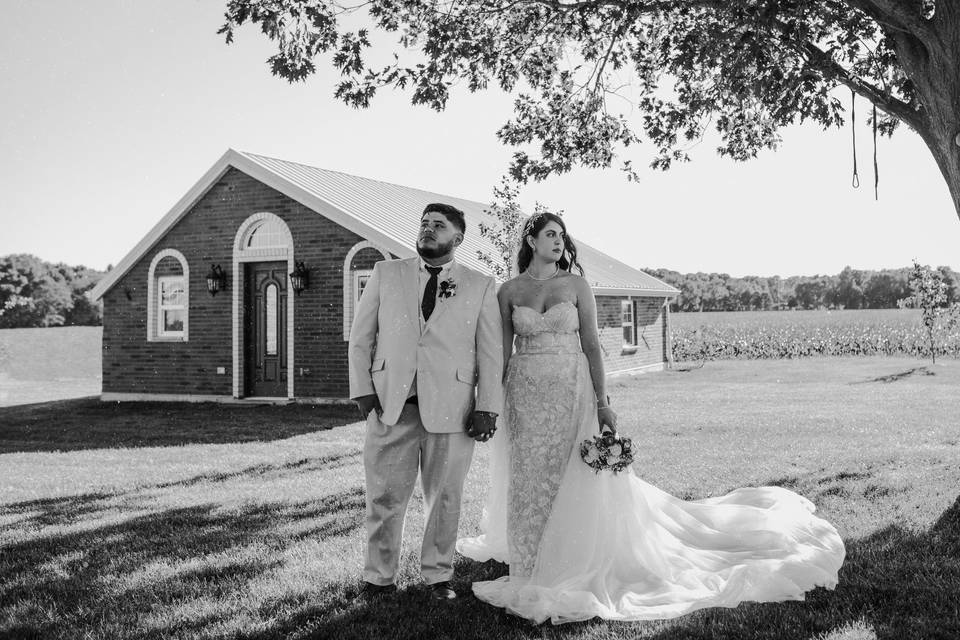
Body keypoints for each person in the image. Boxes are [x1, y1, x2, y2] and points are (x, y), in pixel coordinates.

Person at [456, 212, 845, 624]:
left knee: (572, 473)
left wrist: (604, 403)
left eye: (561, 235)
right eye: (550, 234)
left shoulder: (576, 285)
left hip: (572, 391)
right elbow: (499, 350)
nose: (558, 241)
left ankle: (573, 559)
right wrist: (490, 403)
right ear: (531, 240)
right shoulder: (510, 290)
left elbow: (591, 344)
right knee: (530, 477)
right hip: (525, 394)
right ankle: (531, 564)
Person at [349, 203, 503, 601]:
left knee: (445, 498)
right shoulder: (386, 273)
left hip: (453, 410)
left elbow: (490, 353)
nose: (429, 229)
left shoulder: (481, 285)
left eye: (439, 225)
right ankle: (379, 578)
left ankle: (438, 577)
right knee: (384, 496)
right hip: (390, 405)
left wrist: (487, 405)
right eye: (424, 223)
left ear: (458, 238)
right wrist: (363, 389)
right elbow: (361, 336)